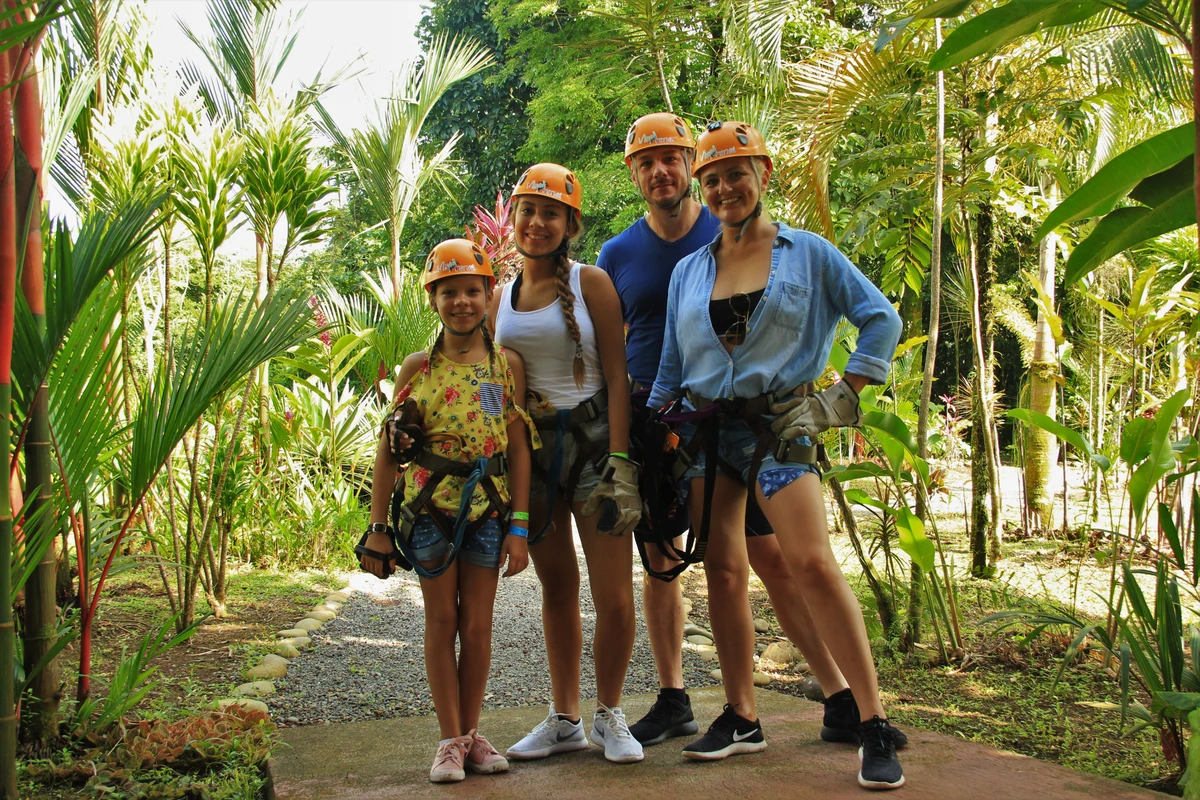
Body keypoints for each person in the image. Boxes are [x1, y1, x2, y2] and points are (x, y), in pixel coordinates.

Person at [599, 112, 908, 754]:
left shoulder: (808, 254)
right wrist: (645, 444)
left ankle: (870, 719)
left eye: (734, 175)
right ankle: (742, 715)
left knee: (811, 564)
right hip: (709, 438)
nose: (722, 190)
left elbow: (881, 318)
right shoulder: (691, 270)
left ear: (762, 174)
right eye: (712, 181)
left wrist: (842, 396)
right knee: (724, 571)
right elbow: (669, 369)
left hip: (782, 429)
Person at [357, 238, 537, 784]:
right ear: (433, 299)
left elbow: (519, 446)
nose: (462, 302)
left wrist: (521, 527)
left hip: (487, 511)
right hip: (431, 510)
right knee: (442, 620)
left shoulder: (507, 366)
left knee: (478, 626)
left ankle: (469, 734)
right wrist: (378, 528)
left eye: (472, 291)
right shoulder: (418, 367)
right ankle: (449, 740)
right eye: (449, 292)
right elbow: (391, 449)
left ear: (489, 296)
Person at [489, 163, 645, 764]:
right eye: (529, 210)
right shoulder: (500, 296)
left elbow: (616, 374)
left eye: (551, 212)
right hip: (533, 451)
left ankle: (609, 713)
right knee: (557, 588)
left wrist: (623, 462)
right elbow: (485, 376)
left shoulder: (592, 284)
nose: (537, 222)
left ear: (570, 223)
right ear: (516, 218)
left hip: (595, 444)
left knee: (614, 596)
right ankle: (564, 718)